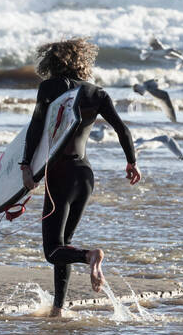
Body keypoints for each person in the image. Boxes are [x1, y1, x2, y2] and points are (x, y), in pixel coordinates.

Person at [18, 38, 140, 315]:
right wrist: (131, 162)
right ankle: (58, 309)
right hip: (84, 176)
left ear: (52, 61)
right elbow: (123, 130)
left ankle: (90, 256)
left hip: (58, 174)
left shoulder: (49, 88)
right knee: (65, 245)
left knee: (52, 251)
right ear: (82, 63)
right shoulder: (97, 94)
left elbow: (36, 128)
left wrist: (26, 167)